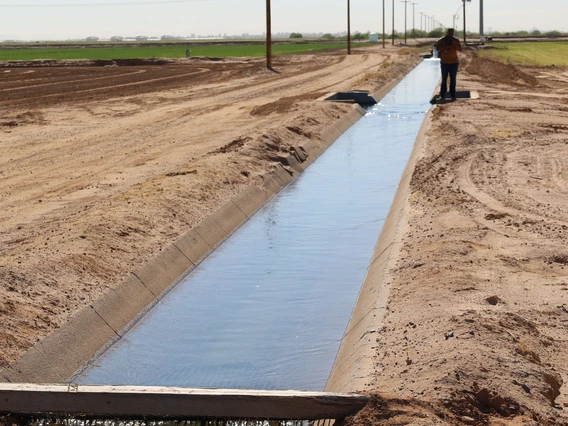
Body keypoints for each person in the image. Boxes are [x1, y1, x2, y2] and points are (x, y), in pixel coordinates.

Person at [435, 28, 462, 102]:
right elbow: (437, 48)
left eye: (452, 33)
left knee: (453, 79)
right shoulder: (441, 40)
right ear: (447, 32)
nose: (451, 34)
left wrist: (454, 44)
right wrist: (446, 47)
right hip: (444, 62)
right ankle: (442, 95)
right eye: (449, 33)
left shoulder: (456, 40)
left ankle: (452, 95)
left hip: (454, 62)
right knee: (444, 79)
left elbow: (460, 49)